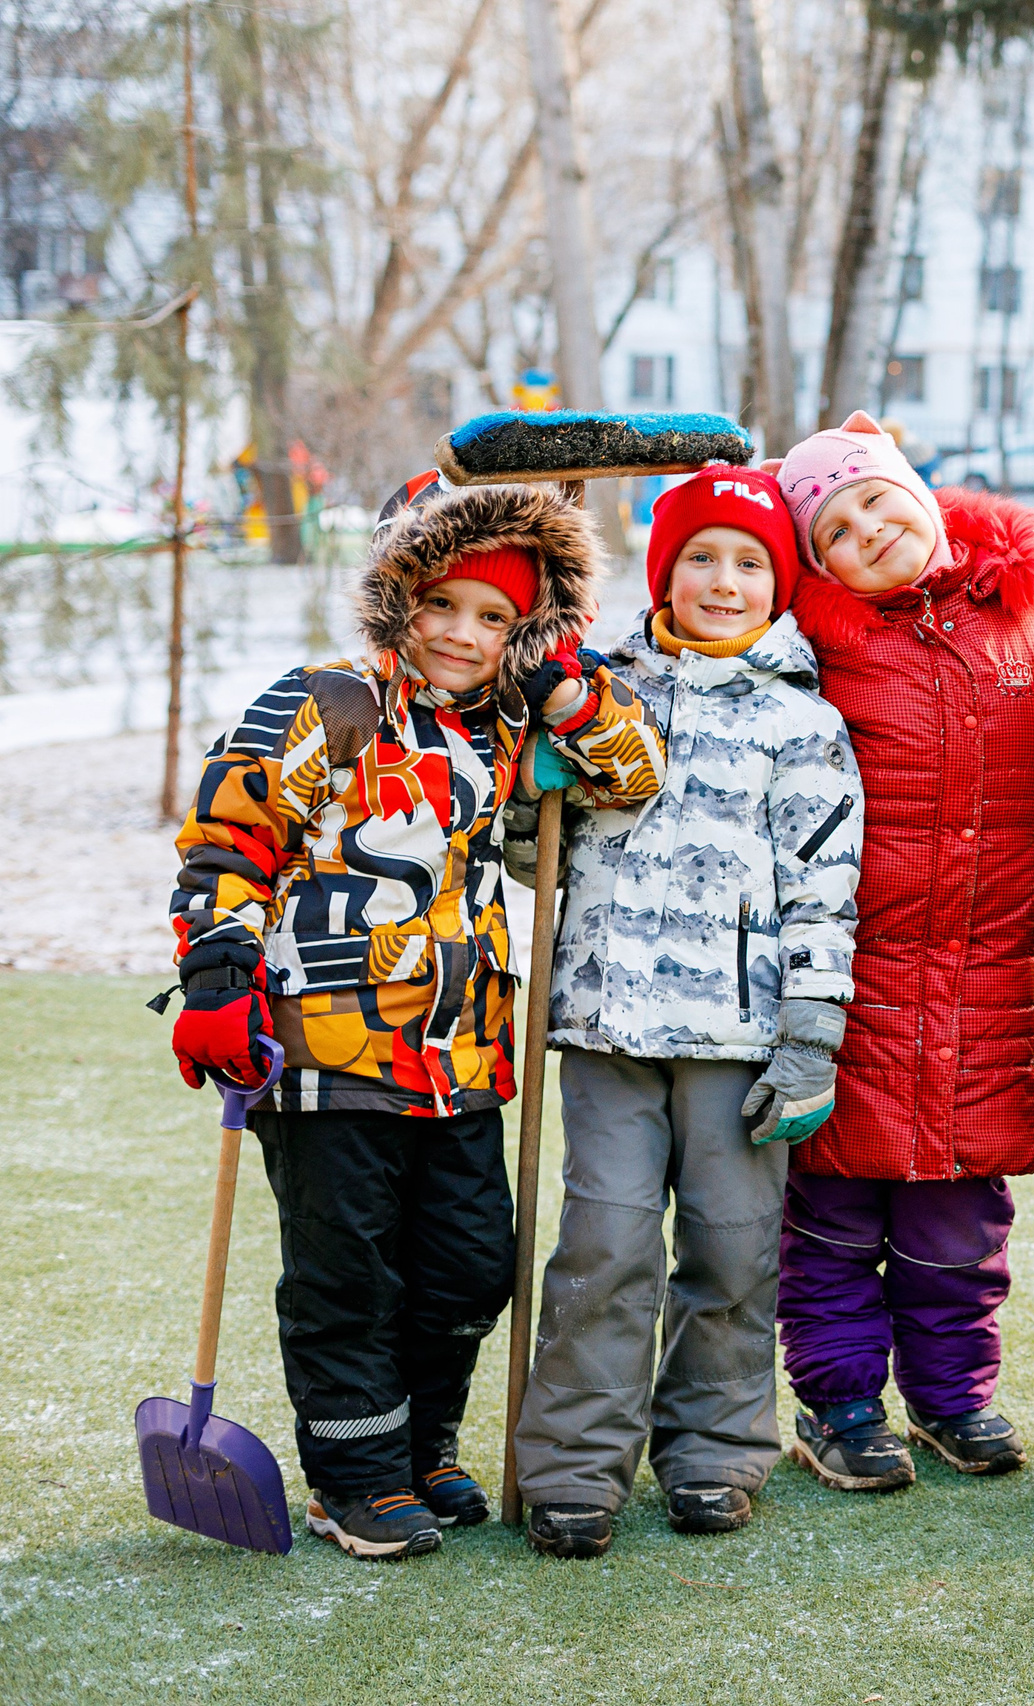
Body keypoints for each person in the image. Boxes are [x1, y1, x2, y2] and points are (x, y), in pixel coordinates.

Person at [167, 472, 663, 1560]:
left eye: (495, 618)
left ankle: (424, 1445)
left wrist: (570, 682)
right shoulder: (327, 699)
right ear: (399, 592)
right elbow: (228, 836)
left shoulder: (511, 725)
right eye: (442, 603)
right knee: (349, 1271)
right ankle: (356, 1476)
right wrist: (215, 975)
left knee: (471, 1262)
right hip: (324, 1044)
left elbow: (633, 772)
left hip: (462, 1050)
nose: (462, 633)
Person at [508, 465, 862, 1560]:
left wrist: (811, 1034)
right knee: (604, 1243)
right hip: (610, 1027)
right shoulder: (597, 690)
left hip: (741, 1036)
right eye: (700, 555)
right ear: (663, 569)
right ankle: (571, 1465)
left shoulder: (801, 721)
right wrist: (540, 774)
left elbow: (824, 884)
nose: (723, 578)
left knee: (733, 1245)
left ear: (780, 585)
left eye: (749, 561)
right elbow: (533, 858)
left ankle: (713, 1448)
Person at [775, 412, 1034, 1495]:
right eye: (837, 528)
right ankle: (841, 1403)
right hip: (853, 973)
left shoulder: (1015, 612)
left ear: (921, 493)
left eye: (877, 500)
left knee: (961, 1211)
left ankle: (953, 1395)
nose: (869, 529)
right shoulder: (814, 645)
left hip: (984, 964)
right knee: (830, 1207)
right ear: (817, 562)